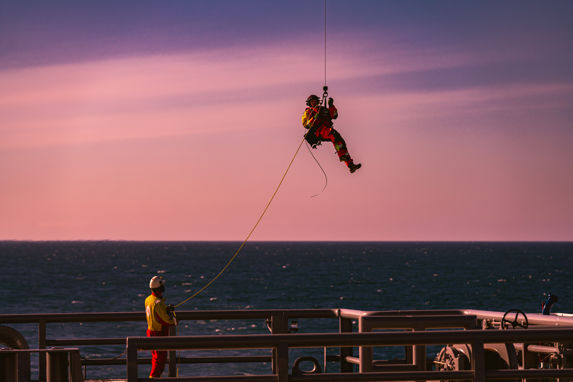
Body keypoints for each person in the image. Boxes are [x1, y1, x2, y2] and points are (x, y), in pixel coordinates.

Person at [302, 94, 361, 173]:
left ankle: (350, 164)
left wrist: (331, 105)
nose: (314, 102)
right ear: (309, 103)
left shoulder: (323, 109)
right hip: (319, 131)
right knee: (333, 134)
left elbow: (334, 115)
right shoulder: (308, 111)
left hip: (328, 130)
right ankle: (342, 155)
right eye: (312, 101)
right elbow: (306, 124)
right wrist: (314, 117)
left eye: (315, 100)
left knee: (340, 141)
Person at [145, 275, 176, 378]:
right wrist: (173, 317)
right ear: (161, 288)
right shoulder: (158, 303)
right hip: (158, 334)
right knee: (159, 362)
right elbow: (167, 321)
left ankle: (153, 378)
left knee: (156, 360)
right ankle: (152, 379)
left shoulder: (148, 300)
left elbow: (156, 314)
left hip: (150, 332)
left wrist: (165, 310)